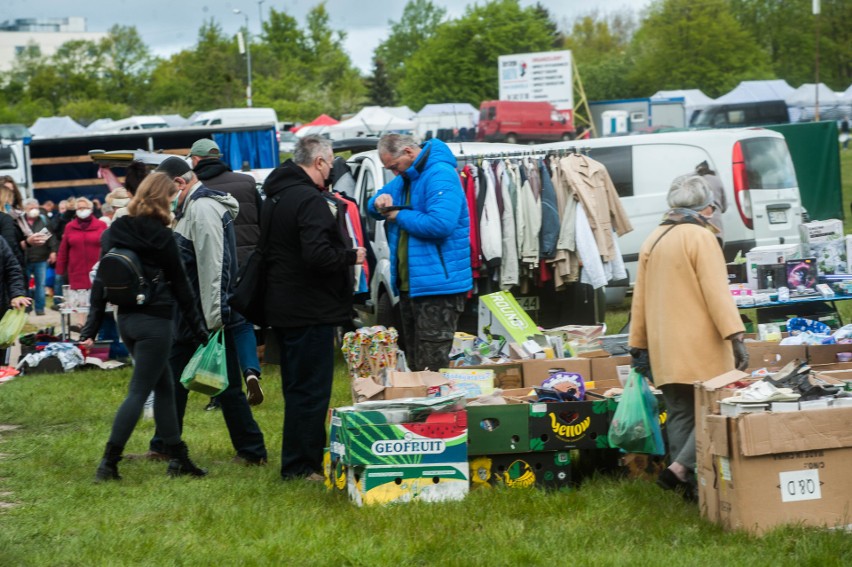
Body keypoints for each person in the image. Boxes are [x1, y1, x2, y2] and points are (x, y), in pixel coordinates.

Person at [80, 173, 209, 482]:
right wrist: (200, 329)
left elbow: (100, 282)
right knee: (139, 391)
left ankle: (179, 458)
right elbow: (182, 287)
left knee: (163, 386)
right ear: (164, 199)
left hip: (126, 319)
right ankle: (108, 463)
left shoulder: (116, 230)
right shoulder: (163, 237)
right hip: (156, 322)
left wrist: (91, 327)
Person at [628, 174, 748, 502]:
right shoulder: (700, 237)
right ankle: (681, 469)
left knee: (680, 412)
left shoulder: (652, 239)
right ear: (706, 208)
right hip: (702, 348)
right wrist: (736, 334)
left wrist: (637, 344)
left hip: (665, 349)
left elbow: (639, 298)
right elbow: (717, 293)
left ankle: (689, 489)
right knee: (715, 407)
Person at [142, 156, 267, 465]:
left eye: (167, 195)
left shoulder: (203, 209)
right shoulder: (191, 208)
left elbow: (216, 266)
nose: (165, 203)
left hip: (207, 317)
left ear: (181, 184)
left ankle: (252, 451)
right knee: (174, 382)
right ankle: (163, 446)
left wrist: (214, 318)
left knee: (225, 388)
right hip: (191, 315)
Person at [261, 135, 365, 480]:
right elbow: (318, 255)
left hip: (284, 306)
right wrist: (351, 255)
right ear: (319, 161)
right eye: (330, 162)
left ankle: (297, 460)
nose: (331, 171)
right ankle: (302, 466)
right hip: (310, 308)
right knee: (311, 391)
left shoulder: (276, 195)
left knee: (296, 389)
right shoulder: (310, 200)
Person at [367, 133, 472, 371]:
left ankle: (436, 409)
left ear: (408, 152)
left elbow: (441, 224)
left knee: (431, 366)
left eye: (394, 167)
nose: (394, 173)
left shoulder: (440, 174)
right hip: (413, 286)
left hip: (439, 287)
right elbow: (372, 205)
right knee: (415, 362)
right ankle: (421, 406)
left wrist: (398, 215)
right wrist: (378, 203)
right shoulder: (407, 176)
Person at [189, 138, 264, 406]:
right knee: (242, 324)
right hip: (246, 266)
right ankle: (251, 373)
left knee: (215, 326)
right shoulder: (246, 182)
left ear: (195, 160)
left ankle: (217, 391)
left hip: (212, 267)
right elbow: (261, 221)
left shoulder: (196, 187)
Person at [55, 197, 107, 301]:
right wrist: (60, 270)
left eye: (84, 207)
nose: (82, 210)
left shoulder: (101, 225)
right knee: (79, 304)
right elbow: (63, 250)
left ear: (91, 209)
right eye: (79, 208)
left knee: (97, 302)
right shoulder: (69, 227)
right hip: (77, 271)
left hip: (97, 271)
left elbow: (107, 246)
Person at [21, 198, 57, 315]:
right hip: (25, 257)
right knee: (24, 284)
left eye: (35, 208)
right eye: (31, 208)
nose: (34, 210)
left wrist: (53, 251)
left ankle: (40, 308)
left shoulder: (43, 220)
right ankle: (26, 307)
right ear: (25, 209)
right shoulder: (20, 221)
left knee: (40, 285)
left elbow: (50, 237)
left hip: (41, 257)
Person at [693, 160, 726, 248]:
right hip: (716, 222)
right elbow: (724, 206)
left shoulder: (695, 181)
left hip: (700, 222)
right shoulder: (716, 180)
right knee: (717, 250)